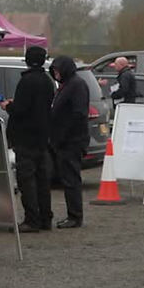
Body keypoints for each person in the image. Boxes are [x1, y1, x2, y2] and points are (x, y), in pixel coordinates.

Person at [0, 46, 55, 232]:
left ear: (26, 60)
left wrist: (8, 106)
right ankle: (46, 217)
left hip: (26, 137)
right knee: (42, 180)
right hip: (42, 136)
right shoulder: (47, 81)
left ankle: (32, 219)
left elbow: (21, 110)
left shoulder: (27, 82)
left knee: (27, 180)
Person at [48, 56, 89, 229]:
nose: (56, 74)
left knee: (71, 179)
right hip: (64, 140)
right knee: (67, 178)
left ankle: (75, 216)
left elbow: (78, 114)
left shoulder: (76, 85)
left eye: (58, 70)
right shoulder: (67, 85)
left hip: (71, 141)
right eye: (54, 71)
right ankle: (73, 214)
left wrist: (64, 134)